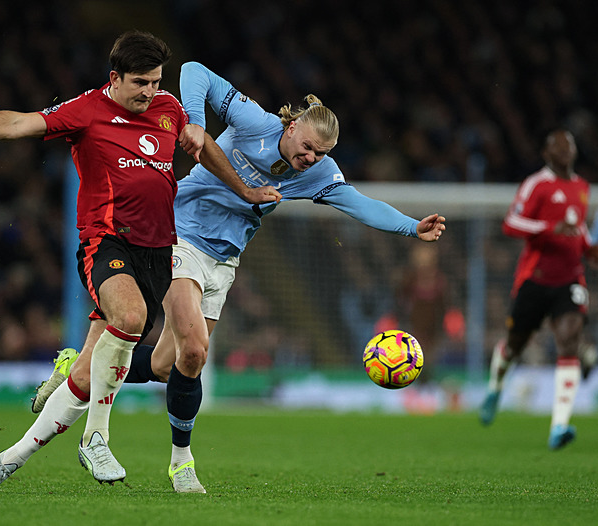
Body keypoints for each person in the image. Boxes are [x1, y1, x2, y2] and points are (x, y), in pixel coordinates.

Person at [34, 61, 446, 493]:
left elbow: (360, 204)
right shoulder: (256, 123)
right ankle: (182, 463)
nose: (310, 158)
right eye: (306, 147)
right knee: (195, 349)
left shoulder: (318, 175)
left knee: (164, 365)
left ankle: (76, 366)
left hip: (225, 261)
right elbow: (195, 71)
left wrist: (410, 226)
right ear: (291, 128)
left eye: (320, 154)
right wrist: (194, 122)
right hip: (178, 238)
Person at [0, 31, 280, 493]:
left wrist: (244, 191)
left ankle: (5, 462)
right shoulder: (86, 111)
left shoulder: (168, 109)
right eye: (140, 82)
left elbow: (203, 148)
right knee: (131, 317)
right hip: (106, 242)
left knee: (88, 375)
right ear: (115, 78)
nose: (149, 91)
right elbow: (17, 124)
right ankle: (96, 438)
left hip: (158, 251)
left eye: (155, 81)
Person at [479, 129, 598, 449]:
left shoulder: (582, 187)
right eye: (558, 146)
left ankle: (559, 427)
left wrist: (591, 249)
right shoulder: (537, 185)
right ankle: (495, 387)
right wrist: (549, 228)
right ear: (546, 153)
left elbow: (581, 231)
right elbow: (511, 223)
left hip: (571, 279)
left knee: (568, 341)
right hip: (535, 278)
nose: (566, 150)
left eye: (570, 145)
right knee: (514, 345)